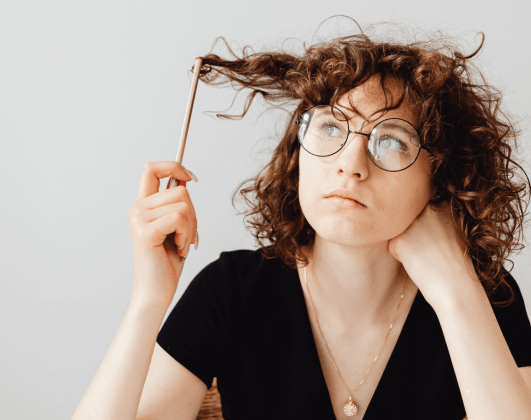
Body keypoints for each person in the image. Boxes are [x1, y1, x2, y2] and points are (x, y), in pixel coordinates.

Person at [70, 18, 531, 420]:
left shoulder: (487, 297)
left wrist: (455, 292)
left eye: (392, 140)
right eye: (331, 126)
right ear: (298, 154)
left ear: (441, 177)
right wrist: (149, 299)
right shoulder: (233, 288)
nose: (351, 163)